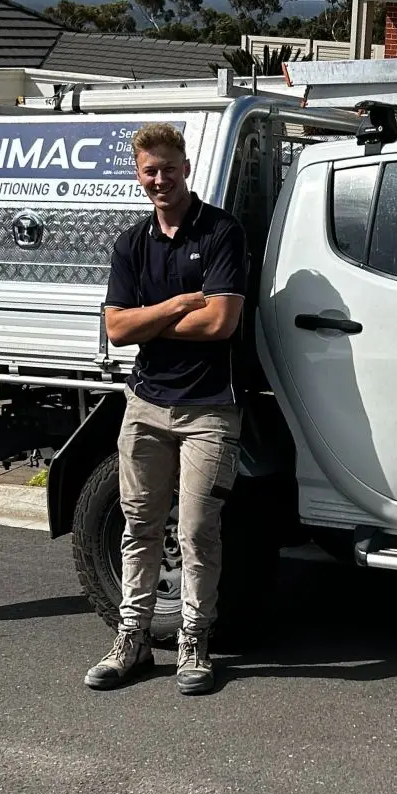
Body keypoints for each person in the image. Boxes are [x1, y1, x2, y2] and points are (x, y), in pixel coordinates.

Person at [84, 123, 247, 696]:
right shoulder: (132, 243)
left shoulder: (222, 231)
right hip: (145, 405)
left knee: (199, 530)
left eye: (169, 167)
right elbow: (116, 328)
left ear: (186, 166)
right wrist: (178, 303)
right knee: (139, 526)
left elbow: (221, 322)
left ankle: (194, 641)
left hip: (209, 410)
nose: (160, 179)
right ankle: (131, 641)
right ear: (139, 172)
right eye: (150, 170)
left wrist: (148, 318)